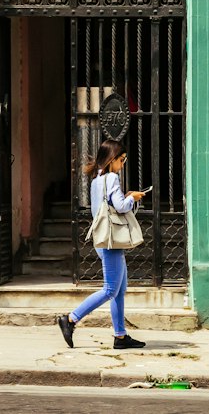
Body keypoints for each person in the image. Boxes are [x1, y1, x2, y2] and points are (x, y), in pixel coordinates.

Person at [56, 140, 146, 350]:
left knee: (119, 289)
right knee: (110, 289)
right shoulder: (112, 178)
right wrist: (132, 197)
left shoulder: (98, 180)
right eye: (121, 160)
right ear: (112, 160)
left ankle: (121, 336)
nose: (123, 164)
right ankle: (70, 319)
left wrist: (125, 198)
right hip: (111, 241)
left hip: (103, 238)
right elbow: (122, 207)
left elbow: (107, 206)